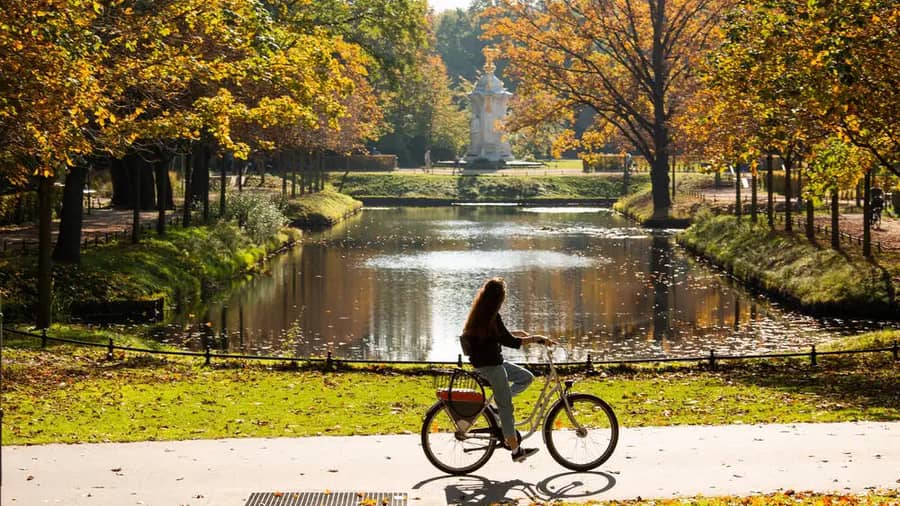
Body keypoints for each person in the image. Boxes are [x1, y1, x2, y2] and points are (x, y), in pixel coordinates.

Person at [460, 277, 555, 463]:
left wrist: (517, 333)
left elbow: (500, 335)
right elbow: (510, 342)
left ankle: (496, 405)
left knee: (525, 377)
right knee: (507, 408)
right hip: (492, 367)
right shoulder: (491, 316)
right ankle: (515, 450)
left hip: (491, 363)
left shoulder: (483, 313)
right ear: (498, 298)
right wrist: (537, 338)